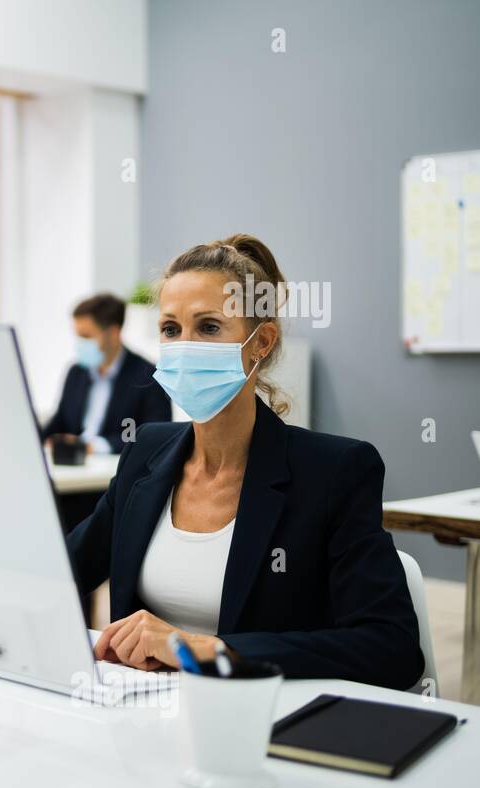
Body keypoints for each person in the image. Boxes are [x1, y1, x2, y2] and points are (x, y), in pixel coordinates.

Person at [67, 235, 422, 690]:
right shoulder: (146, 454)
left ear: (261, 342)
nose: (184, 346)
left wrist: (210, 649)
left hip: (261, 726)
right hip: (139, 720)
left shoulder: (335, 472)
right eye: (171, 330)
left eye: (209, 327)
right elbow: (63, 572)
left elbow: (390, 647)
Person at [41, 293, 171, 533]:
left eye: (86, 336)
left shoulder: (147, 377)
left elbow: (154, 436)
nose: (79, 344)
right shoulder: (76, 372)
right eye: (77, 336)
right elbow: (59, 421)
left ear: (112, 333)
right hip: (68, 476)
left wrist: (93, 446)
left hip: (105, 487)